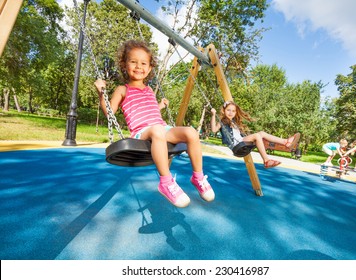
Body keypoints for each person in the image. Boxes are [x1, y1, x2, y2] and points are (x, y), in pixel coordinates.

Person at [94, 40, 214, 208]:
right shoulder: (122, 90)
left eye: (143, 63)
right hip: (140, 133)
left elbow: (150, 112)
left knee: (191, 133)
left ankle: (198, 176)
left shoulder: (150, 90)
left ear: (150, 68)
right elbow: (109, 112)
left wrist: (161, 106)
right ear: (124, 64)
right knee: (157, 130)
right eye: (133, 62)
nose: (138, 66)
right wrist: (101, 93)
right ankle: (165, 182)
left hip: (159, 128)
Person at [210, 101, 300, 168]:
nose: (230, 113)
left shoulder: (234, 122)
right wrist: (213, 115)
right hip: (237, 146)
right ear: (224, 110)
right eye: (228, 110)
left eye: (233, 111)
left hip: (242, 143)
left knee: (261, 133)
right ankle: (266, 160)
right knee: (257, 135)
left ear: (236, 112)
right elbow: (214, 130)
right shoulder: (222, 122)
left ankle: (285, 142)